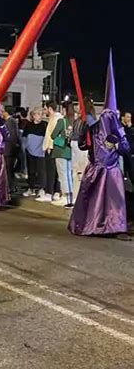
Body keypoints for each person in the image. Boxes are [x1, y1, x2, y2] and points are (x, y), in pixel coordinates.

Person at [69, 50, 130, 237]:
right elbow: (125, 148)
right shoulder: (100, 126)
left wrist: (115, 146)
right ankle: (102, 226)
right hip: (104, 170)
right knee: (104, 200)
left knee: (103, 200)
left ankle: (102, 225)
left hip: (102, 169)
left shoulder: (96, 125)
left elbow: (124, 148)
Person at [50, 101, 74, 208]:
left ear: (64, 109)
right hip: (70, 151)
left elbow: (53, 135)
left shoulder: (62, 121)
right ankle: (70, 198)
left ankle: (66, 198)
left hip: (60, 151)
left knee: (63, 175)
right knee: (69, 174)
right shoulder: (74, 121)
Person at [22, 106, 47, 197]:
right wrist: (26, 148)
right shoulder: (29, 125)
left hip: (41, 153)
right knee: (31, 171)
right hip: (30, 152)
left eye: (42, 114)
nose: (40, 116)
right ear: (34, 115)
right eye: (39, 114)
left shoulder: (45, 125)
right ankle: (31, 188)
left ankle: (41, 189)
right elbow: (24, 138)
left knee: (41, 172)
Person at [40, 101, 61, 202]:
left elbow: (53, 135)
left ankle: (49, 193)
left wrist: (49, 146)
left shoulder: (55, 119)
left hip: (52, 148)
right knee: (56, 171)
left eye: (45, 109)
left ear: (50, 109)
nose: (44, 111)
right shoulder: (56, 118)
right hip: (55, 148)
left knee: (51, 171)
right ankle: (56, 192)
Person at [70, 108, 90, 201]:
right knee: (81, 172)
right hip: (80, 146)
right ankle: (80, 197)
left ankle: (75, 197)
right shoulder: (85, 120)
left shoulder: (77, 121)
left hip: (75, 144)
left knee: (76, 171)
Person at [2, 105, 20, 195]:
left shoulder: (10, 122)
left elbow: (12, 136)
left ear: (6, 112)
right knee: (9, 170)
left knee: (8, 170)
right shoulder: (11, 121)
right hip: (10, 149)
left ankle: (10, 187)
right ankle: (10, 186)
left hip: (9, 150)